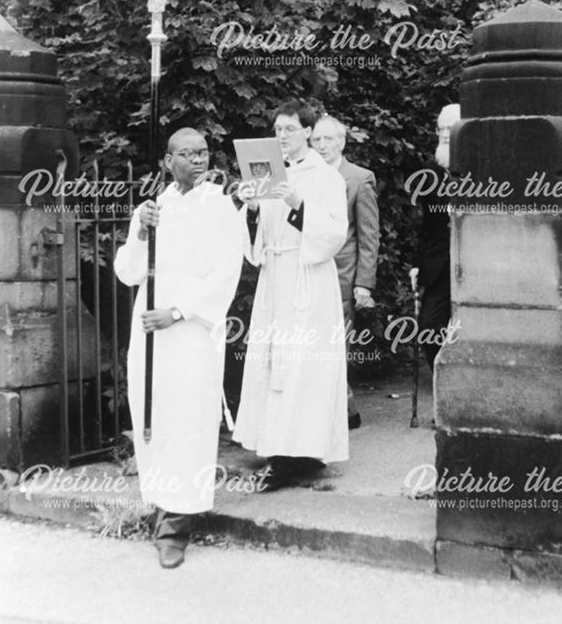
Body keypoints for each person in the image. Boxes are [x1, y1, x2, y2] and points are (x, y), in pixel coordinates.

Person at [114, 128, 243, 569]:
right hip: (148, 326)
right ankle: (159, 501)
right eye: (186, 154)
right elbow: (130, 272)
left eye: (203, 152)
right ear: (168, 162)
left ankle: (177, 524)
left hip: (190, 328)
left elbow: (227, 272)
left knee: (188, 415)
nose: (198, 160)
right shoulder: (154, 207)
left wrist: (179, 311)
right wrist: (141, 232)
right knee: (152, 410)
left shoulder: (221, 206)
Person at [234, 98, 349, 490]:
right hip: (275, 277)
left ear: (307, 133)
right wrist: (250, 208)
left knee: (305, 367)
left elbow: (335, 234)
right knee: (273, 365)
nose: (282, 136)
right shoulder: (266, 171)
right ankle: (278, 449)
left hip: (308, 282)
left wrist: (298, 205)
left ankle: (299, 454)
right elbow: (255, 239)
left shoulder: (325, 176)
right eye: (277, 129)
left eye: (289, 129)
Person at [312, 114, 380, 429]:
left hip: (342, 276)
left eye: (329, 139)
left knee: (337, 347)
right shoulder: (306, 176)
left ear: (342, 141)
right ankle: (335, 410)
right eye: (317, 139)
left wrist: (364, 284)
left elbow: (368, 235)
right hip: (309, 273)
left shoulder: (359, 178)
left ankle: (342, 411)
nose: (322, 145)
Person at [409, 104, 460, 370]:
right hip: (439, 266)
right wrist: (418, 263)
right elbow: (427, 225)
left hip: (474, 266)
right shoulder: (431, 172)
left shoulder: (482, 167)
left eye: (452, 128)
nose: (445, 134)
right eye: (441, 128)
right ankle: (443, 379)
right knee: (429, 328)